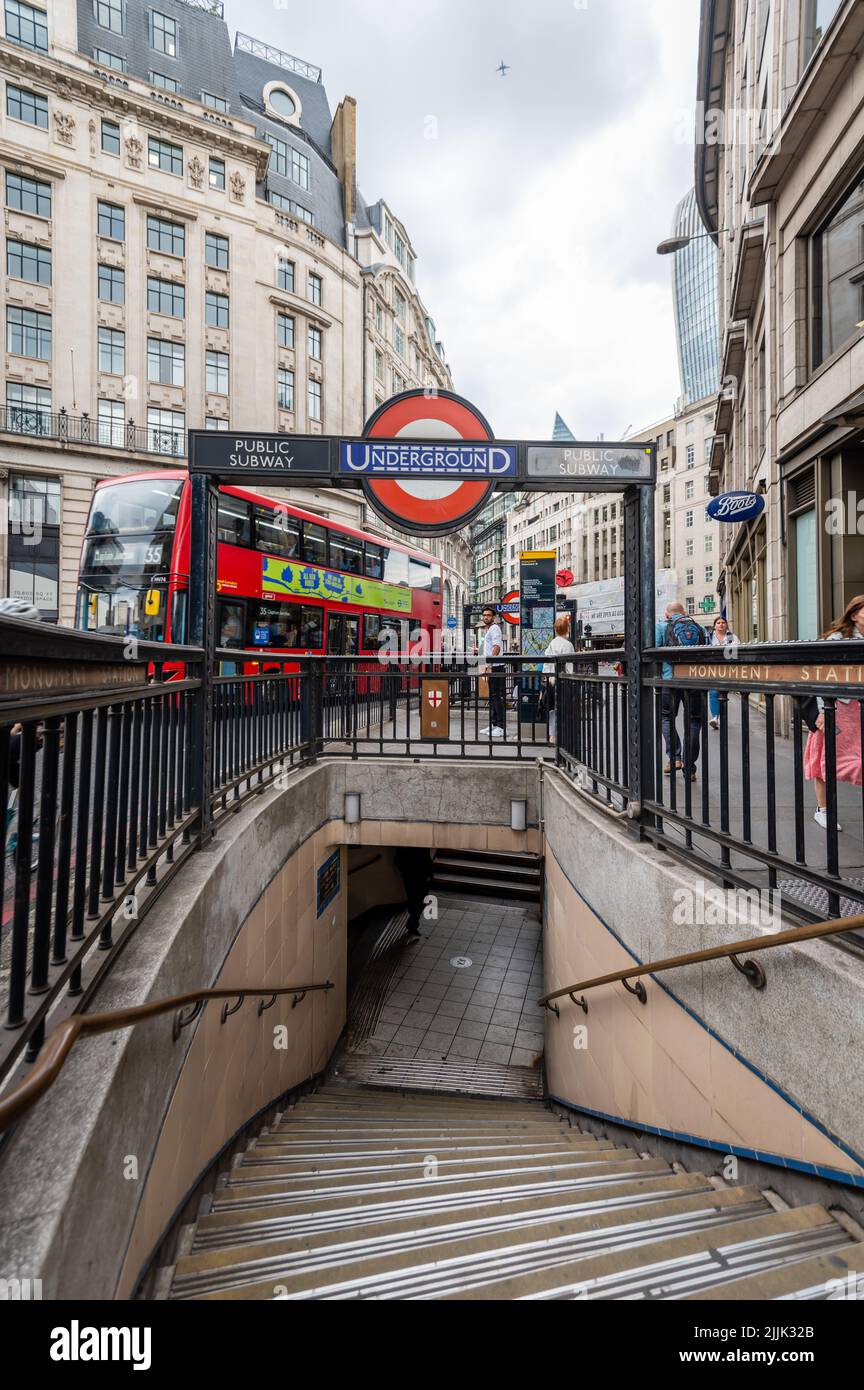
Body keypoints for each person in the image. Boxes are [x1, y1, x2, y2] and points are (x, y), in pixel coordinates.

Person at [804, 595, 864, 830]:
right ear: (853, 614)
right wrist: (820, 711)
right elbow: (817, 674)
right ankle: (824, 809)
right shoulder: (837, 639)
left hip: (858, 709)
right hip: (835, 708)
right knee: (826, 759)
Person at [655, 601, 708, 780]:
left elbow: (653, 652)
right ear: (684, 612)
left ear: (667, 615)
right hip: (695, 680)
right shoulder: (699, 627)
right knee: (694, 721)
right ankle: (689, 768)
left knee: (666, 718)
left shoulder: (662, 627)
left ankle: (675, 757)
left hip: (670, 681)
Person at [542, 614, 575, 744]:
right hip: (563, 680)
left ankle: (552, 735)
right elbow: (570, 665)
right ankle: (564, 733)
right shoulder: (568, 645)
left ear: (556, 630)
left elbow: (546, 664)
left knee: (553, 709)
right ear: (568, 629)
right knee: (564, 707)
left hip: (551, 680)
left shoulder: (552, 643)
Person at [393, 846, 432, 940]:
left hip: (417, 873)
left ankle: (413, 922)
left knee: (418, 898)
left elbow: (426, 856)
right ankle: (413, 923)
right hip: (414, 874)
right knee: (416, 898)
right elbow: (426, 856)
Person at [707, 614, 739, 729]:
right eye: (718, 623)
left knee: (723, 693)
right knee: (713, 692)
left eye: (723, 623)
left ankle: (720, 717)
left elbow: (735, 654)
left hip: (726, 669)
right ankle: (715, 717)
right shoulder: (709, 637)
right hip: (712, 669)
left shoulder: (732, 637)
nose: (721, 624)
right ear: (714, 626)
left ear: (727, 625)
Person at [480, 606, 505, 738]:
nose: (486, 617)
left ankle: (500, 726)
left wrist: (489, 664)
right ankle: (494, 724)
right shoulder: (489, 629)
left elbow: (496, 646)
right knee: (493, 696)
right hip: (492, 666)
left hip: (496, 666)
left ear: (493, 617)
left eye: (488, 615)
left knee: (496, 697)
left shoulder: (495, 628)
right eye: (484, 615)